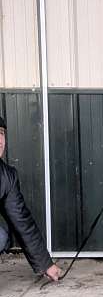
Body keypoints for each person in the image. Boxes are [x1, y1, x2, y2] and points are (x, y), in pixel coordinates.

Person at [0, 116, 60, 281]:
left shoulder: (7, 177)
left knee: (1, 237)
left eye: (1, 133)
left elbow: (22, 222)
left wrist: (46, 264)